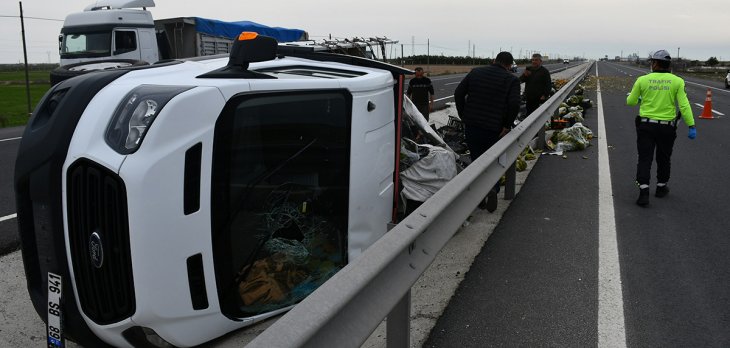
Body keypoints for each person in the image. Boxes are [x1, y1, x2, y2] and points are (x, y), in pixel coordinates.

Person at [626, 49, 696, 206]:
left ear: (655, 63)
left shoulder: (642, 80)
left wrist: (639, 99)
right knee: (664, 158)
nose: (651, 64)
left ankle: (643, 193)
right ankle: (661, 187)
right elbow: (684, 106)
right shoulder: (677, 81)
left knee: (645, 158)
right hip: (667, 128)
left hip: (646, 126)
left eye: (652, 62)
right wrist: (691, 125)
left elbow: (630, 102)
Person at [454, 51, 520, 212]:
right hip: (494, 129)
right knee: (494, 162)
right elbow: (514, 105)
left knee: (476, 160)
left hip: (472, 126)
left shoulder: (476, 72)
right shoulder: (511, 79)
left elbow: (458, 93)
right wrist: (507, 125)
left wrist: (463, 114)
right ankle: (492, 189)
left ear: (494, 60)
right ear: (510, 65)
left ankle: (478, 194)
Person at [519, 53, 552, 117]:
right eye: (533, 60)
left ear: (540, 61)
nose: (534, 61)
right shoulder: (529, 70)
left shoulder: (544, 71)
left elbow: (548, 85)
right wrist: (524, 75)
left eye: (536, 60)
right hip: (529, 97)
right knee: (529, 115)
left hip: (539, 98)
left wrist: (545, 95)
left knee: (538, 116)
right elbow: (520, 80)